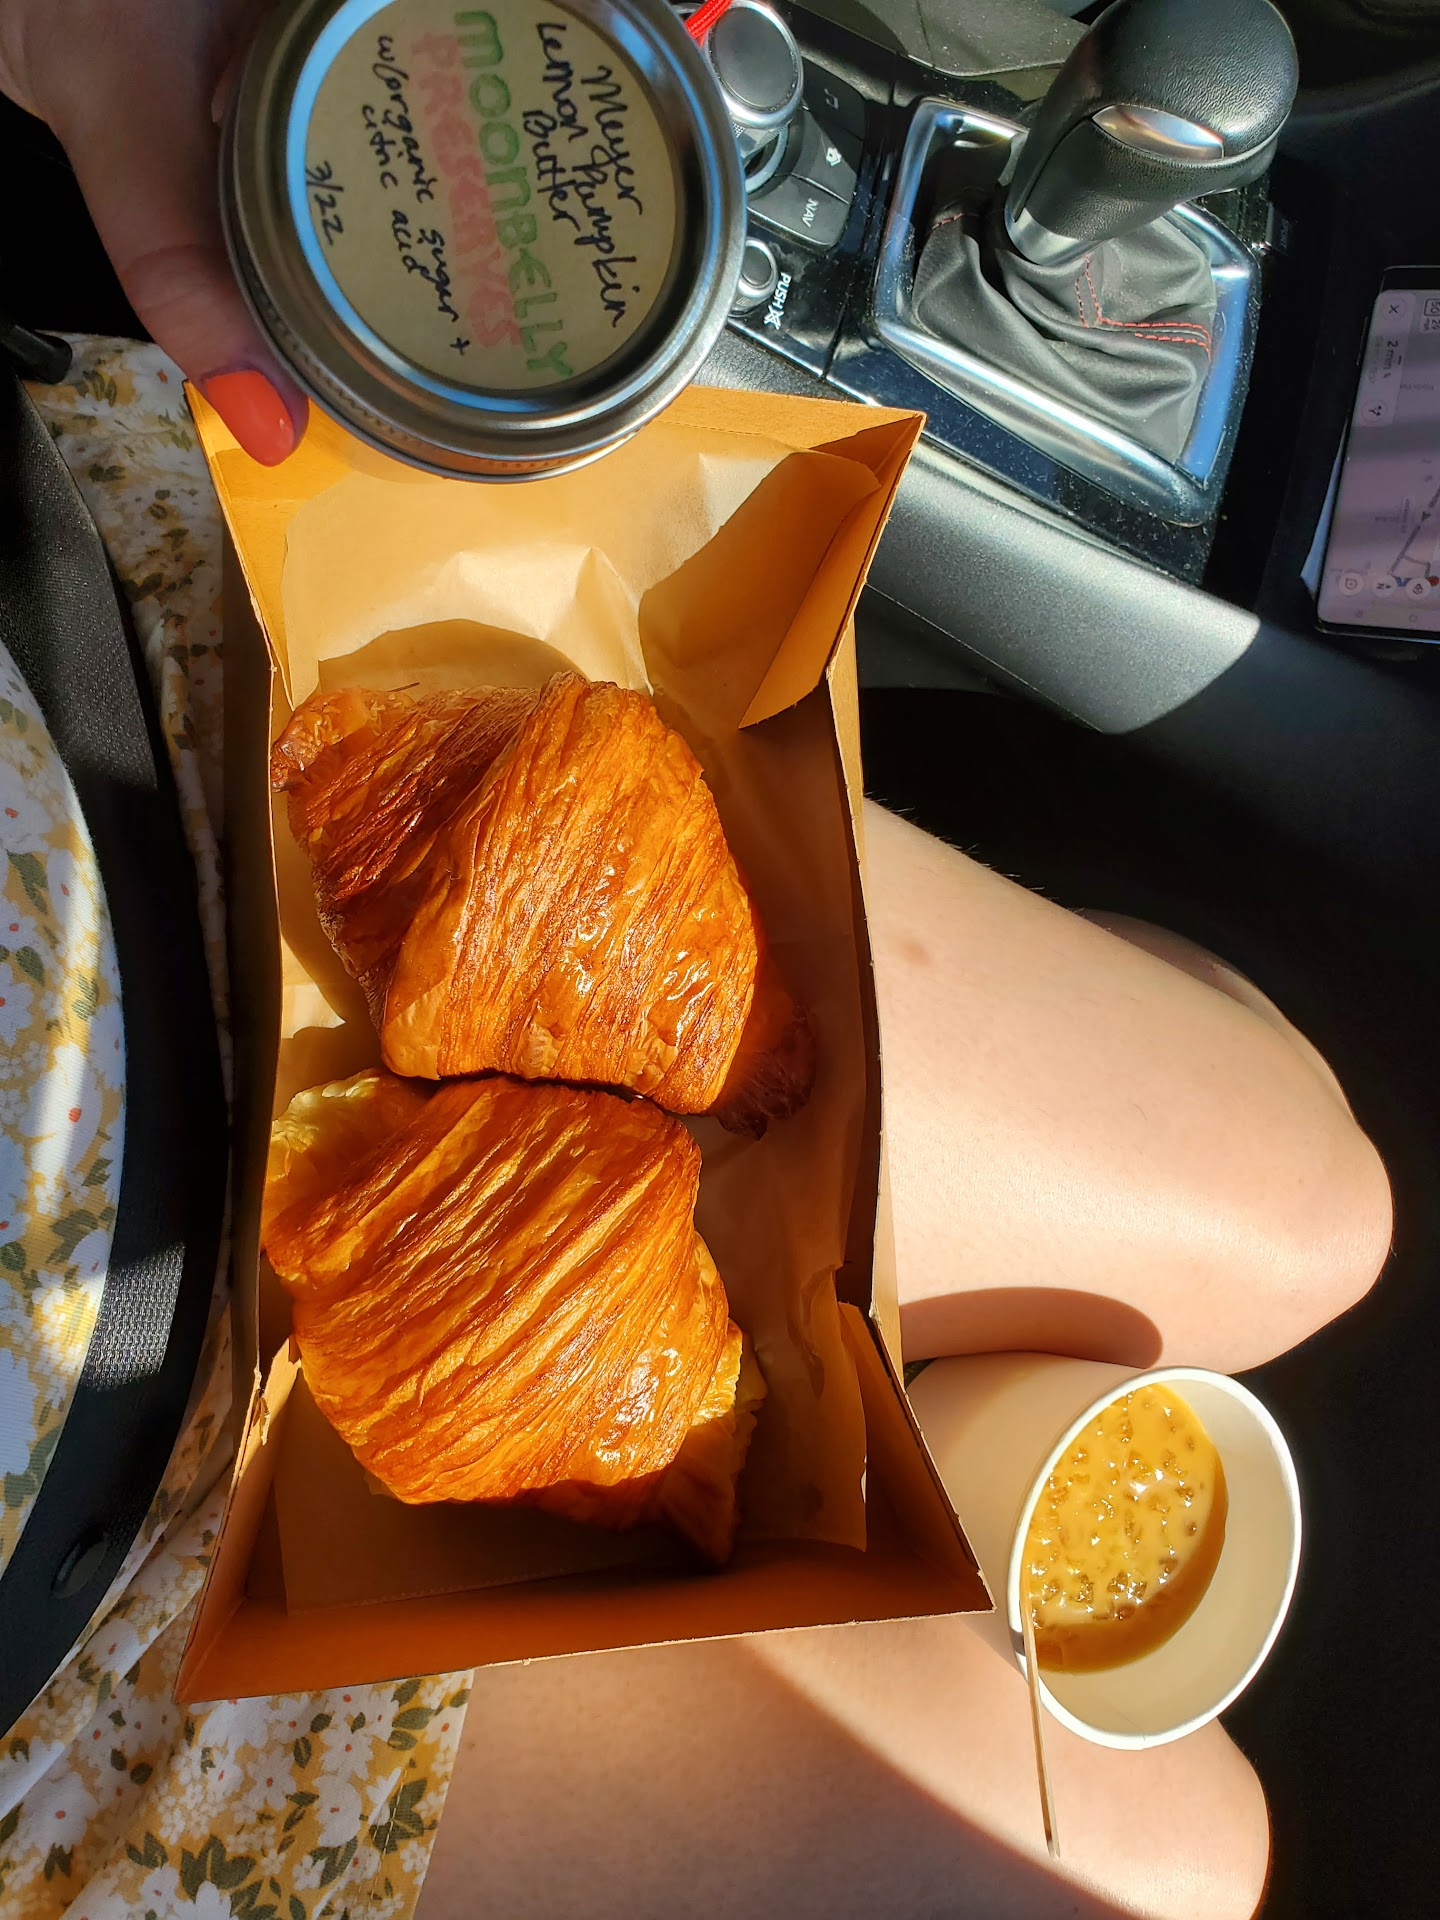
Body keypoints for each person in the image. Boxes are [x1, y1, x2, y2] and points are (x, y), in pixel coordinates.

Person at [0, 8, 1391, 1918]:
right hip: (95, 1634)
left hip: (139, 680)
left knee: (1313, 1208)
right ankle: (841, 1415)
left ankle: (846, 1394)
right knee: (1190, 1873)